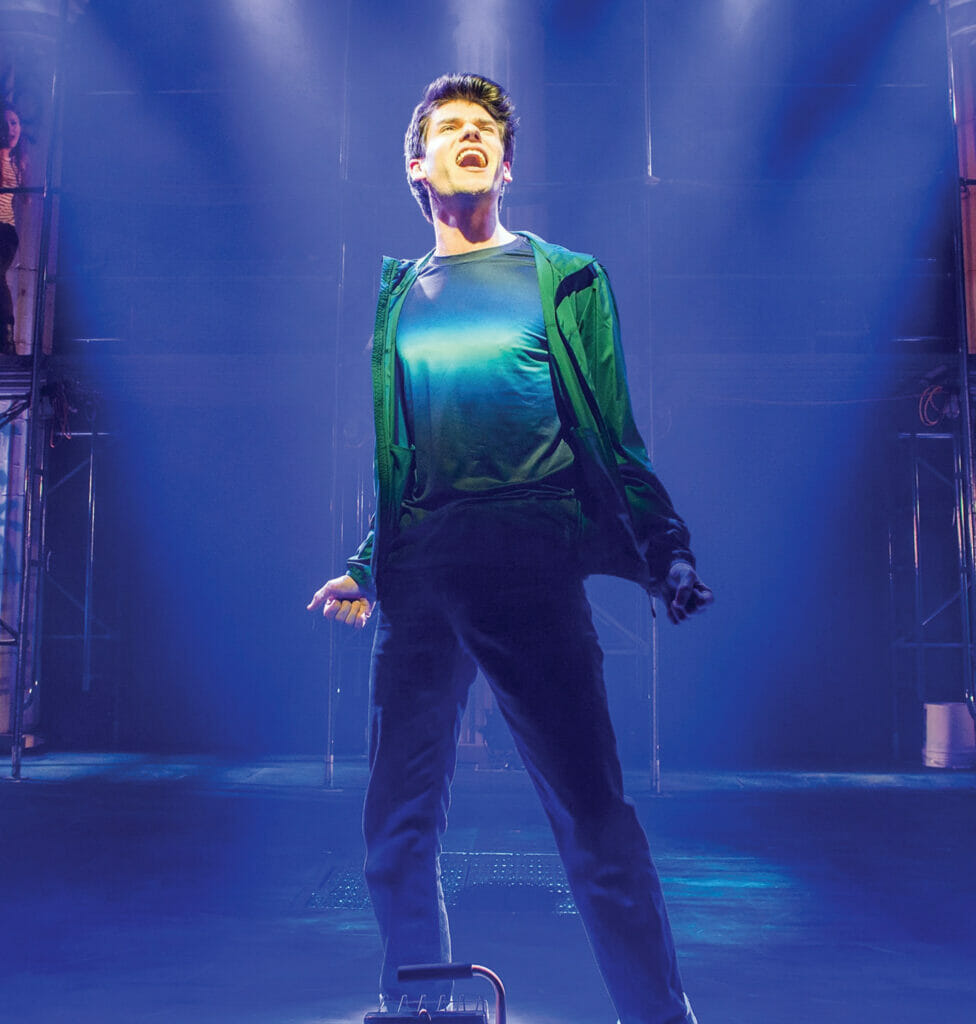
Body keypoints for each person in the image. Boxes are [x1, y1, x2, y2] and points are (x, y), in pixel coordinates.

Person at [308, 73, 712, 1024]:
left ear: (507, 164)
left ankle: (661, 1018)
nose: (472, 135)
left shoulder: (563, 278)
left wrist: (666, 550)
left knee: (593, 822)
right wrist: (367, 565)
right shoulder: (400, 295)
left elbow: (614, 436)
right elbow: (410, 459)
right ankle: (420, 1006)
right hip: (422, 573)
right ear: (417, 167)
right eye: (450, 127)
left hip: (528, 560)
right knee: (394, 829)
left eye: (486, 128)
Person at [0, 101, 25, 355]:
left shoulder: (16, 162)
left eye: (14, 123)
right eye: (5, 124)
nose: (11, 129)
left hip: (4, 230)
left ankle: (5, 336)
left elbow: (26, 200)